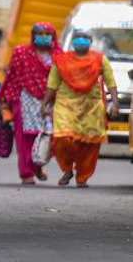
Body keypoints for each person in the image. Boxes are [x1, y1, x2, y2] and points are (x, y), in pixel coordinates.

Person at [41, 31, 119, 188]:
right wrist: (45, 103)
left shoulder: (99, 59)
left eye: (84, 38)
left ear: (90, 42)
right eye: (77, 38)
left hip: (91, 107)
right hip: (66, 105)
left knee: (89, 145)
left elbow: (111, 82)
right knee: (62, 138)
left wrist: (115, 102)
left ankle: (82, 177)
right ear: (73, 42)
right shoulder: (62, 60)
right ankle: (67, 169)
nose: (80, 41)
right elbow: (52, 83)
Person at [0, 22, 61, 185]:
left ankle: (37, 166)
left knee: (48, 137)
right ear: (33, 36)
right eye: (39, 34)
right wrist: (6, 102)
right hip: (25, 100)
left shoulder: (60, 56)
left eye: (47, 34)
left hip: (51, 100)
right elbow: (12, 77)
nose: (43, 37)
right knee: (25, 137)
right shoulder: (21, 53)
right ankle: (26, 173)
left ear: (53, 37)